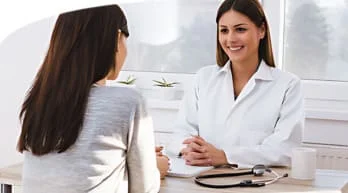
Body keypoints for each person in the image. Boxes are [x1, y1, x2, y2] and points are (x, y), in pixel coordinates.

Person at [17, 5, 168, 193]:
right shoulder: (128, 102)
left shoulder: (38, 102)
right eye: (125, 41)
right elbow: (143, 189)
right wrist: (154, 168)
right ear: (115, 39)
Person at [169, 0, 304, 168]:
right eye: (224, 30)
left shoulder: (288, 85)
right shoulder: (203, 78)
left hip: (257, 183)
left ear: (261, 30)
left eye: (240, 29)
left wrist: (225, 156)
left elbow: (284, 149)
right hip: (202, 177)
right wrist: (189, 150)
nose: (231, 39)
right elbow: (181, 131)